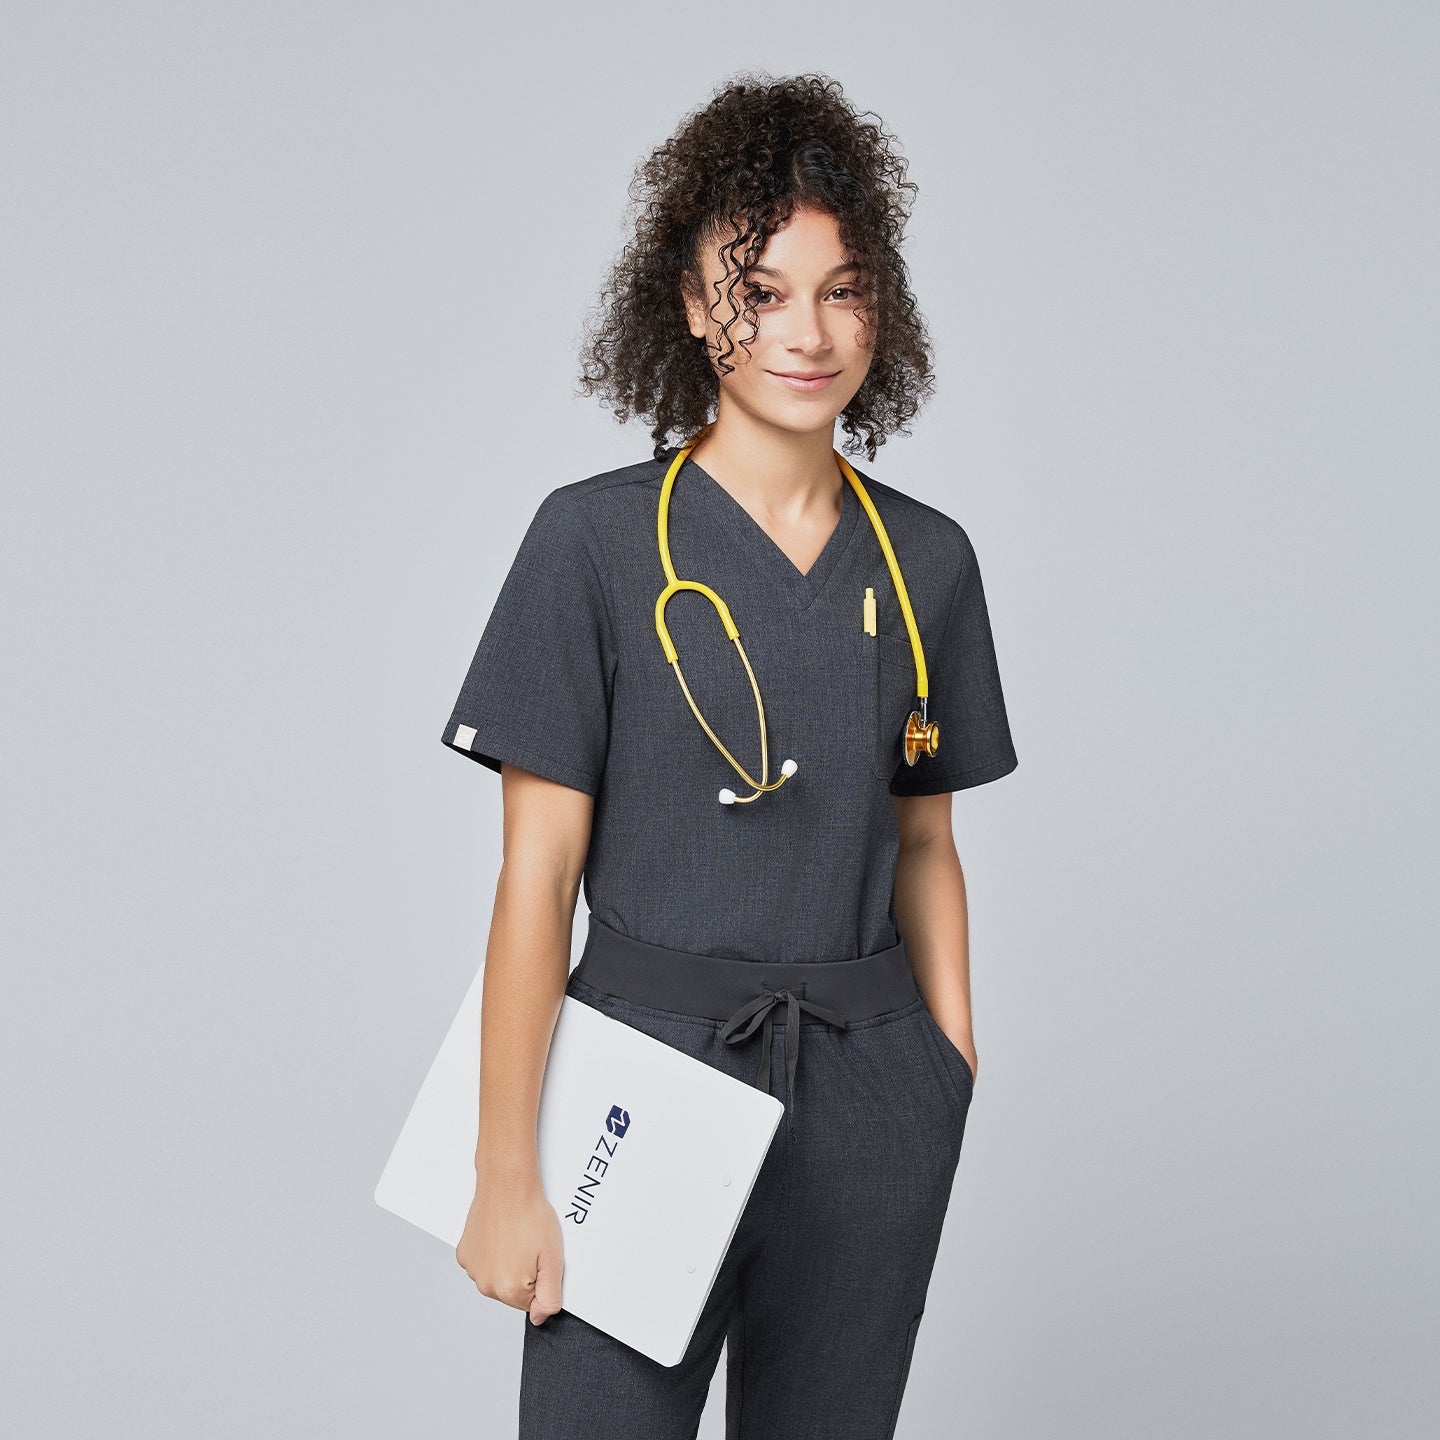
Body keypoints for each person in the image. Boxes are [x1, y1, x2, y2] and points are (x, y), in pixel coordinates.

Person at [444, 72, 1018, 1439]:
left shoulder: (926, 562)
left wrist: (947, 1069)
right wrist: (505, 1170)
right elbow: (538, 877)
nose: (807, 333)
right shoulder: (592, 544)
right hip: (641, 1074)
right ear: (697, 308)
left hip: (870, 1093)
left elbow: (926, 837)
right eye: (761, 292)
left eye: (843, 291)